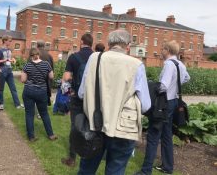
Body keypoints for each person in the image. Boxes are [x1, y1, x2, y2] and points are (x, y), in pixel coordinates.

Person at [77, 29, 151, 174]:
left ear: (109, 43)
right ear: (128, 46)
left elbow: (81, 93)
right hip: (123, 128)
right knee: (116, 169)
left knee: (86, 169)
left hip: (94, 123)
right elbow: (146, 105)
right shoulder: (136, 65)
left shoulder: (95, 58)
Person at [136, 40, 190, 175]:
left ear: (167, 50)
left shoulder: (168, 64)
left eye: (162, 49)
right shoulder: (180, 64)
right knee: (166, 136)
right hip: (173, 102)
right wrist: (175, 85)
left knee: (153, 136)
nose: (161, 51)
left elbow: (163, 86)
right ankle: (167, 166)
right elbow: (186, 78)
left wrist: (150, 86)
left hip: (163, 104)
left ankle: (146, 170)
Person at [61, 33, 94, 167]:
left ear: (81, 42)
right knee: (92, 125)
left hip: (78, 97)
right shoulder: (97, 57)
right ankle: (89, 154)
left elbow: (67, 76)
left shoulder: (74, 57)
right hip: (93, 97)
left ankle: (72, 158)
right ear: (91, 43)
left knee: (75, 126)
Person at [21, 48, 57, 142]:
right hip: (41, 91)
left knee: (29, 114)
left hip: (28, 91)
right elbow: (51, 76)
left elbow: (23, 80)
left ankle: (31, 136)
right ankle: (51, 135)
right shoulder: (46, 64)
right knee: (44, 113)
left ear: (30, 55)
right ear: (39, 54)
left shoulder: (27, 65)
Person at [0, 35, 24, 110]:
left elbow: (9, 58)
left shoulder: (9, 50)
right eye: (9, 41)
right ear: (5, 41)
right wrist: (5, 61)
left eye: (11, 41)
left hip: (9, 71)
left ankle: (17, 104)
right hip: (2, 71)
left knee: (13, 88)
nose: (10, 42)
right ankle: (1, 104)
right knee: (1, 89)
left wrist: (13, 59)